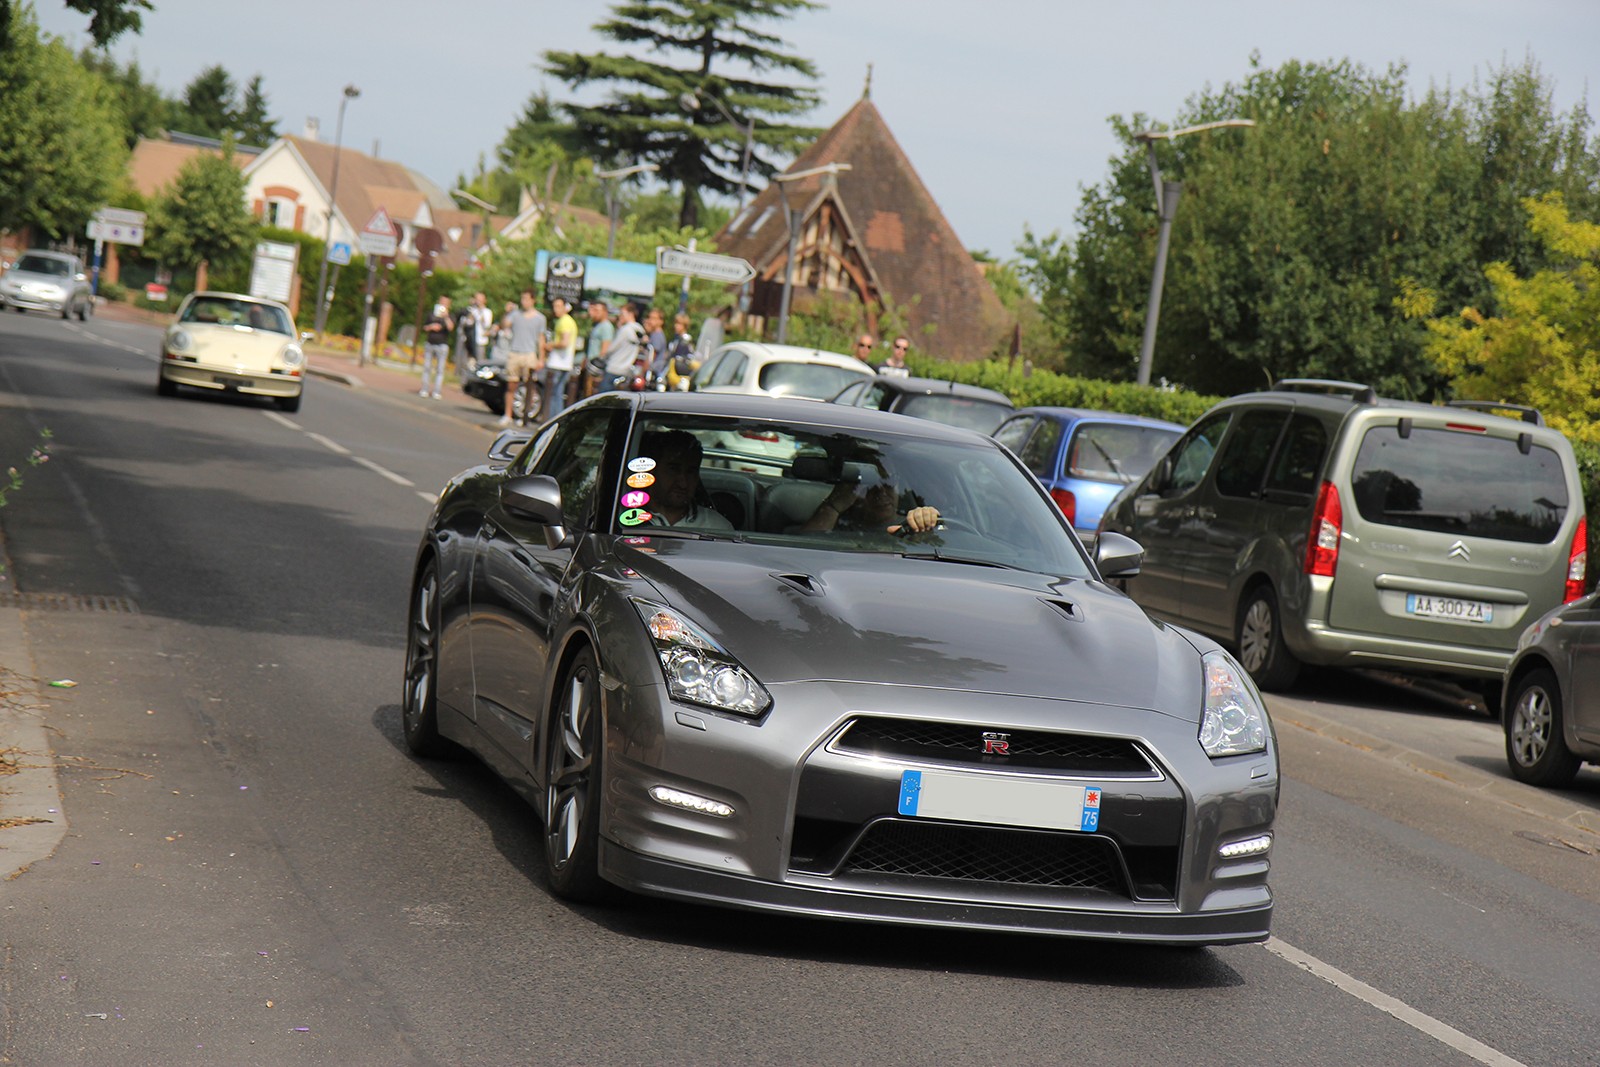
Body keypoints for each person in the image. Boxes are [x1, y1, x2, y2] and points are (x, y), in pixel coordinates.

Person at [637, 430, 734, 532]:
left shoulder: (717, 527)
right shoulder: (625, 518)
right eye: (673, 469)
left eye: (690, 472)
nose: (683, 484)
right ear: (652, 471)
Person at [802, 475, 940, 534]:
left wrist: (926, 520)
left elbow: (935, 547)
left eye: (888, 482)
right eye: (869, 486)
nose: (881, 492)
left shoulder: (912, 524)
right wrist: (833, 507)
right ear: (853, 494)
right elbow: (805, 549)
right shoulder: (842, 525)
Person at [499, 290, 546, 428]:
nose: (523, 301)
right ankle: (507, 415)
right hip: (515, 351)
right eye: (522, 298)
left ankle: (525, 415)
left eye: (526, 298)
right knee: (511, 385)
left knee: (529, 387)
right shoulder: (515, 314)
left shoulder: (540, 318)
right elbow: (504, 325)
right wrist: (507, 312)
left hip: (529, 353)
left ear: (532, 300)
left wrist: (541, 358)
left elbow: (541, 338)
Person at [540, 296, 578, 420]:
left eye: (558, 306)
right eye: (554, 306)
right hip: (565, 363)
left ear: (565, 307)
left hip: (558, 363)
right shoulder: (569, 320)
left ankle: (552, 420)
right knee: (558, 393)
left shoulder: (564, 321)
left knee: (553, 394)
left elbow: (564, 342)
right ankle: (558, 419)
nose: (555, 309)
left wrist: (550, 345)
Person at [598, 301, 647, 391]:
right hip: (627, 370)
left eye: (622, 313)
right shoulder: (640, 330)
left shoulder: (625, 330)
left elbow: (612, 348)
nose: (620, 316)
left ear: (630, 314)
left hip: (614, 367)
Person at [420, 294, 452, 399]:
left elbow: (451, 327)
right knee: (427, 367)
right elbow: (424, 327)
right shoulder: (431, 314)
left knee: (440, 369)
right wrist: (431, 327)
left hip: (442, 344)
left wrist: (446, 316)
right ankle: (424, 388)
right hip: (430, 343)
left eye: (445, 302)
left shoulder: (449, 316)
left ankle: (437, 391)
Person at [583, 300, 614, 396]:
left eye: (597, 310)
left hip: (596, 369)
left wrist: (597, 369)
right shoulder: (597, 325)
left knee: (592, 395)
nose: (594, 313)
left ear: (605, 312)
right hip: (590, 367)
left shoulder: (606, 327)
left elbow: (604, 350)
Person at [664, 312, 696, 390]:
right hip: (672, 374)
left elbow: (689, 357)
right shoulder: (676, 340)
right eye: (675, 323)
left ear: (685, 326)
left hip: (680, 376)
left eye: (679, 324)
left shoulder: (686, 340)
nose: (676, 326)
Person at [463, 291, 494, 368]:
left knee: (480, 362)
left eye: (480, 299)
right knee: (469, 362)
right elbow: (467, 323)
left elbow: (487, 325)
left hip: (481, 341)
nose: (478, 301)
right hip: (470, 340)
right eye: (477, 299)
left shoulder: (487, 312)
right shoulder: (472, 310)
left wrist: (481, 312)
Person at [643, 307, 668, 383]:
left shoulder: (657, 336)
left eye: (654, 318)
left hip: (652, 376)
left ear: (661, 321)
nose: (650, 321)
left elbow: (651, 358)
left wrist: (641, 374)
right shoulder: (653, 335)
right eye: (649, 317)